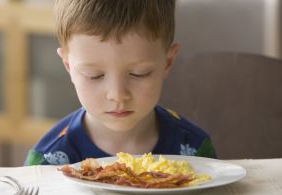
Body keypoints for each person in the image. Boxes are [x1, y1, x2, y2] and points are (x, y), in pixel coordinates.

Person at [26, 0, 216, 166]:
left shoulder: (196, 150)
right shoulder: (47, 162)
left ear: (168, 62)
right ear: (68, 67)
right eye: (95, 75)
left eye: (138, 73)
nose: (117, 94)